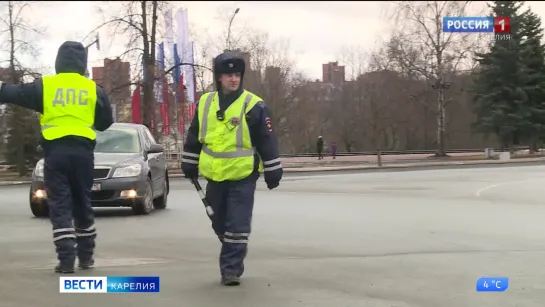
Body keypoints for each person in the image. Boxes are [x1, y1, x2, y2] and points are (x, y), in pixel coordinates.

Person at [0, 41, 114, 273]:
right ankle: (86, 258)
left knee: (60, 204)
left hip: (56, 154)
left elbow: (13, 93)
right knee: (83, 202)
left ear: (58, 61)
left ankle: (66, 261)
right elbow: (105, 122)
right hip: (83, 154)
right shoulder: (93, 89)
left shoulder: (46, 86)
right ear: (82, 64)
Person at [181, 51, 283, 286]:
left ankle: (231, 270)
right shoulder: (206, 102)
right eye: (228, 75)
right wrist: (189, 161)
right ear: (219, 77)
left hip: (242, 176)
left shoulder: (253, 105)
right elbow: (194, 135)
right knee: (219, 222)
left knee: (237, 224)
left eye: (237, 74)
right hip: (214, 176)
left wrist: (272, 168)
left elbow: (266, 139)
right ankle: (231, 250)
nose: (233, 79)